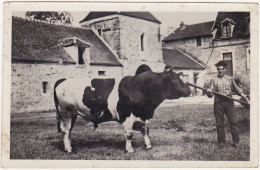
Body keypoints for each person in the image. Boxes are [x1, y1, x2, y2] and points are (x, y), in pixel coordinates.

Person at [206, 60, 250, 148]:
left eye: (222, 69)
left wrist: (247, 100)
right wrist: (209, 92)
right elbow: (210, 95)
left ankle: (236, 141)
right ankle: (221, 142)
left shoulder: (229, 79)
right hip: (218, 102)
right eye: (218, 69)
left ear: (225, 69)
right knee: (219, 123)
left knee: (233, 122)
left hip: (229, 102)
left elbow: (238, 90)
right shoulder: (214, 80)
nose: (220, 71)